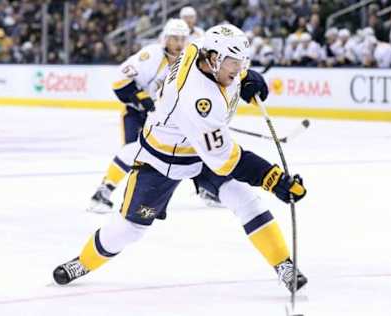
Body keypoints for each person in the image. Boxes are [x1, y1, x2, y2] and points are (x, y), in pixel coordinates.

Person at [53, 24, 308, 293]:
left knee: (246, 201)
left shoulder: (202, 49)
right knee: (128, 230)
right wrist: (274, 179)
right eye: (234, 62)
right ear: (213, 59)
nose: (238, 67)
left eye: (242, 61)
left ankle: (283, 264)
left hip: (199, 150)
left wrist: (245, 76)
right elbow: (227, 160)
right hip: (163, 160)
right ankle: (82, 262)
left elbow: (229, 69)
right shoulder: (198, 98)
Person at [87, 19, 190, 213]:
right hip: (136, 111)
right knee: (133, 150)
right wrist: (142, 98)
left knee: (166, 156)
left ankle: (150, 200)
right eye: (175, 38)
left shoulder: (186, 62)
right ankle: (103, 191)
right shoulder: (151, 54)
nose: (179, 42)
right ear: (165, 38)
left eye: (182, 38)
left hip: (158, 117)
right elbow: (119, 81)